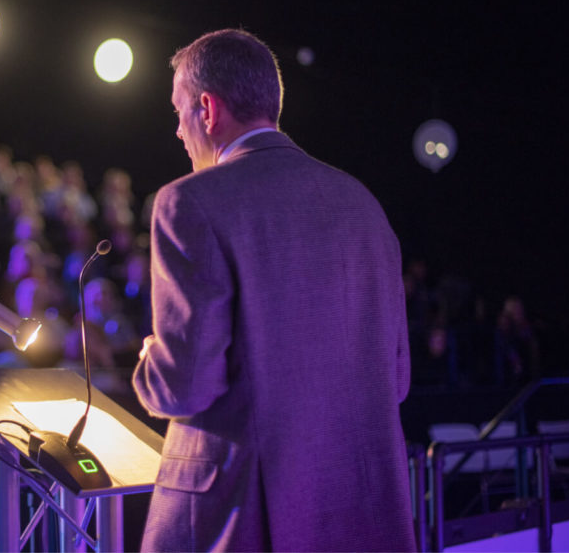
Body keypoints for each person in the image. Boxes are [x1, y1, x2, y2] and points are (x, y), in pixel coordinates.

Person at [132, 29, 414, 552]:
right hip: (360, 514)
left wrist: (152, 357)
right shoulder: (364, 207)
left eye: (177, 112)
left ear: (208, 109)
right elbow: (394, 380)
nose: (177, 131)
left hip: (245, 517)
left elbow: (184, 386)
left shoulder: (188, 202)